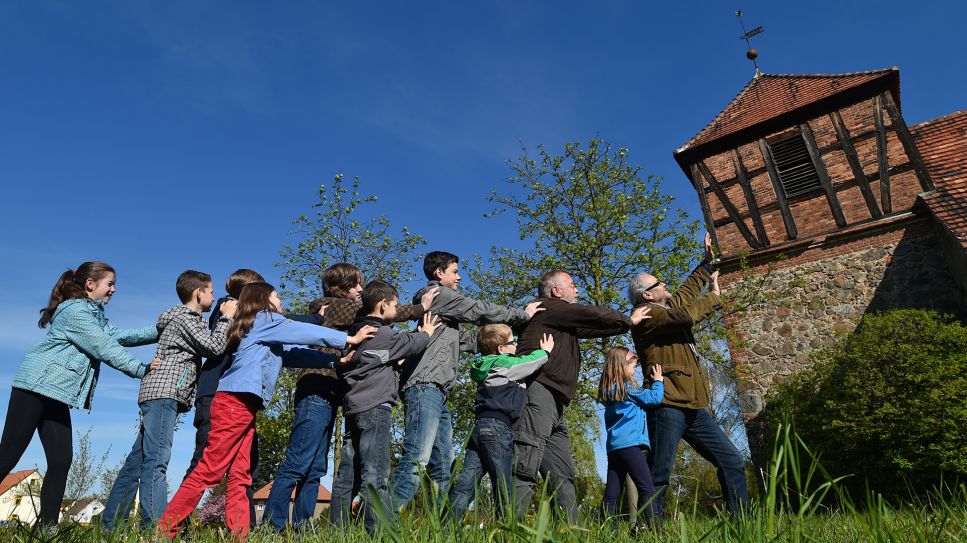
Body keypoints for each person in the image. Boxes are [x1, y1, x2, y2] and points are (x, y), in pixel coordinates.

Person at [157, 282, 375, 540]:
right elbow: (300, 330)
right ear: (264, 299)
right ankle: (164, 530)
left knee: (241, 475)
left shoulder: (264, 328)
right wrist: (348, 338)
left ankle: (239, 535)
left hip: (243, 405)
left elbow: (293, 354)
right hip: (234, 402)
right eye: (277, 296)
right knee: (210, 469)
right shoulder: (265, 318)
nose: (281, 301)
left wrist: (333, 359)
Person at [267, 263, 437, 532]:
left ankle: (301, 527)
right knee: (299, 460)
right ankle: (273, 526)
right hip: (318, 387)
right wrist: (421, 308)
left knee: (317, 466)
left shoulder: (353, 318)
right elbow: (377, 309)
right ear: (340, 288)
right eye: (356, 285)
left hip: (335, 391)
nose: (360, 290)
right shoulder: (334, 306)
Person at [0, 262, 159, 526]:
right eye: (110, 284)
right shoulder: (75, 312)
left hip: (55, 394)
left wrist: (162, 328)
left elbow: (121, 335)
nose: (114, 289)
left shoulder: (94, 317)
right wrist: (141, 369)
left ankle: (48, 529)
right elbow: (104, 347)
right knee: (8, 455)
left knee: (61, 461)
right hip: (34, 388)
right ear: (90, 285)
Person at [391, 251, 540, 512]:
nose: (459, 277)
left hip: (438, 392)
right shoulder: (438, 295)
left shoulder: (444, 320)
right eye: (455, 271)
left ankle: (442, 530)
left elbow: (472, 342)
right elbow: (476, 309)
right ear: (439, 273)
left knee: (443, 465)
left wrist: (506, 339)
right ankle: (381, 521)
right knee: (417, 459)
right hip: (425, 386)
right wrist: (520, 315)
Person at [184, 268, 325, 525]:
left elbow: (288, 345)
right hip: (219, 393)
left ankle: (242, 529)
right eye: (267, 292)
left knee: (245, 469)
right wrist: (316, 319)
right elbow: (287, 324)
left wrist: (331, 359)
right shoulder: (231, 308)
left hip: (240, 398)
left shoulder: (254, 319)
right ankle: (172, 527)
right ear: (253, 294)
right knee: (206, 464)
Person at [101, 270, 237, 532]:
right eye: (210, 291)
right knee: (157, 461)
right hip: (165, 394)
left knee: (137, 461)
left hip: (159, 393)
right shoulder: (186, 318)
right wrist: (226, 318)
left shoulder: (179, 318)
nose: (213, 295)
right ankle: (154, 529)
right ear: (199, 293)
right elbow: (213, 347)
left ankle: (110, 526)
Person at [512, 270, 651, 522]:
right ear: (556, 291)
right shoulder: (549, 308)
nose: (577, 290)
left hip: (555, 401)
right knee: (526, 464)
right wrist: (627, 320)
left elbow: (590, 326)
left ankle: (571, 532)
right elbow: (590, 314)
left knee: (562, 475)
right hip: (538, 392)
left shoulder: (560, 320)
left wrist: (623, 325)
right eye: (572, 285)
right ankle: (513, 529)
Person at [629, 233, 749, 517]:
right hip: (668, 402)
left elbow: (685, 292)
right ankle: (648, 529)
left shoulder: (665, 306)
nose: (665, 284)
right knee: (659, 474)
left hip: (693, 405)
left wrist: (705, 264)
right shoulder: (645, 314)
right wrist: (714, 297)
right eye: (660, 283)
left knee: (732, 461)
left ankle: (743, 522)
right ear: (647, 294)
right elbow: (684, 316)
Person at [330, 280, 440, 532]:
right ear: (383, 304)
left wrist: (392, 364)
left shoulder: (357, 334)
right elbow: (413, 344)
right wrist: (427, 332)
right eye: (394, 304)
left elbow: (372, 360)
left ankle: (338, 530)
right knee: (376, 473)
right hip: (375, 407)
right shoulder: (383, 333)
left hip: (354, 407)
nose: (396, 308)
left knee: (348, 473)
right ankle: (377, 530)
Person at [447, 325, 554, 522]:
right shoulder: (504, 364)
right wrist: (545, 351)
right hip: (498, 427)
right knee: (503, 484)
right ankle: (508, 528)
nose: (516, 345)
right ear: (501, 349)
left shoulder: (485, 365)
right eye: (512, 342)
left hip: (479, 428)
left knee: (467, 483)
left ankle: (445, 527)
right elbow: (530, 362)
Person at [598, 347, 663, 529]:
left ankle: (607, 531)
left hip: (614, 447)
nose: (634, 370)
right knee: (647, 487)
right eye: (632, 366)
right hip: (630, 446)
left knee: (612, 493)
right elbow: (653, 398)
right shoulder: (628, 388)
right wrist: (658, 381)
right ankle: (657, 530)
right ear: (622, 366)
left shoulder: (609, 390)